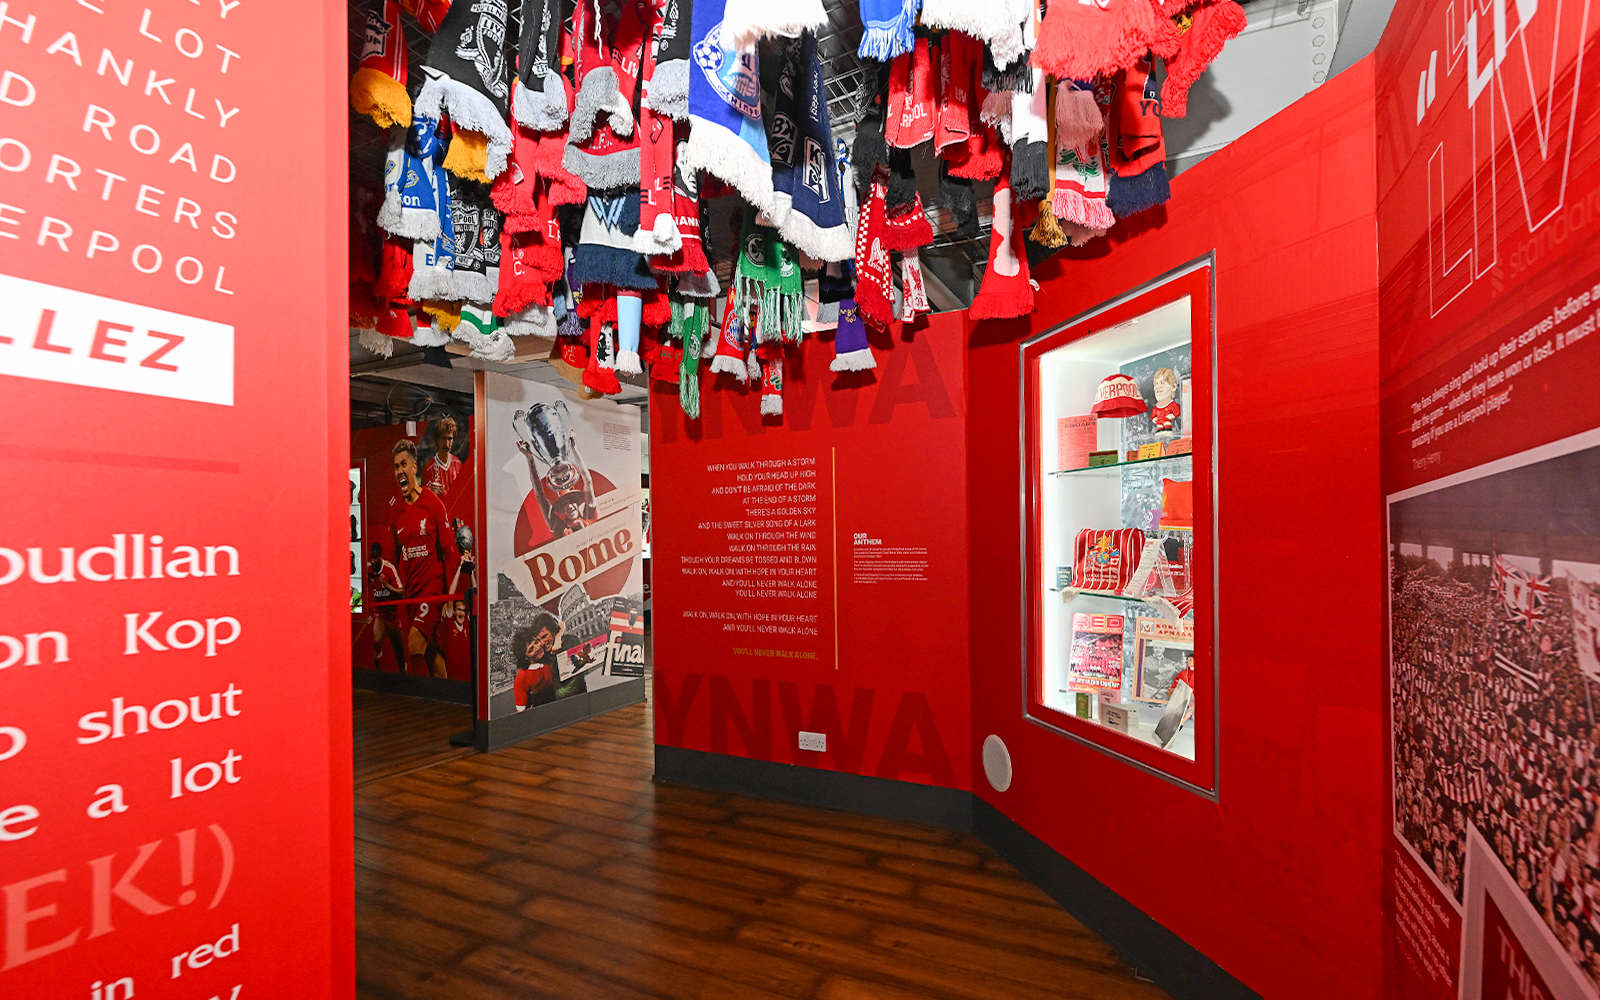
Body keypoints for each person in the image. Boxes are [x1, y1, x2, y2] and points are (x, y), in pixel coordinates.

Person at [389, 439, 472, 678]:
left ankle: (417, 702)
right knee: (431, 654)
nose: (399, 471)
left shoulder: (432, 504)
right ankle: (442, 699)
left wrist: (446, 597)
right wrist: (397, 587)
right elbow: (395, 554)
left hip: (433, 590)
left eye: (403, 464)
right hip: (411, 595)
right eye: (395, 467)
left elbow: (448, 552)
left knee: (414, 644)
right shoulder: (395, 512)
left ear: (414, 468)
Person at [511, 611, 589, 710]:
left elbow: (561, 624)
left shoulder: (568, 643)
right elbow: (521, 711)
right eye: (539, 640)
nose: (540, 645)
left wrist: (558, 637)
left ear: (553, 632)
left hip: (573, 703)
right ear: (525, 656)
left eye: (538, 641)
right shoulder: (541, 660)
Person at [367, 541, 406, 671]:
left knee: (399, 648)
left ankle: (403, 673)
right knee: (377, 639)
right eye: (370, 558)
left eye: (375, 558)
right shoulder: (368, 570)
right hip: (380, 612)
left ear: (380, 557)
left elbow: (402, 593)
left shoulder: (389, 569)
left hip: (393, 616)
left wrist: (387, 585)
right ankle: (378, 669)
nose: (372, 561)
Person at [423, 416, 464, 495]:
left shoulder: (458, 465)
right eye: (443, 438)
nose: (447, 443)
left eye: (449, 439)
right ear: (438, 440)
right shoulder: (428, 469)